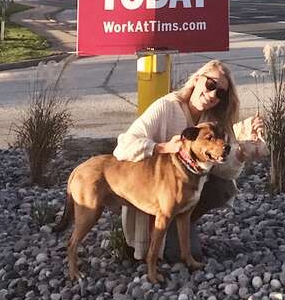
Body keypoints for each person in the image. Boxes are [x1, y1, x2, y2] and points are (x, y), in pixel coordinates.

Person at [113, 59, 265, 261]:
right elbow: (123, 146)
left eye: (220, 93)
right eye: (210, 85)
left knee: (224, 188)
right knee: (173, 255)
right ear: (196, 79)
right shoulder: (166, 107)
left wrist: (242, 153)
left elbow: (225, 171)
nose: (212, 94)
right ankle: (157, 236)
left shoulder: (213, 121)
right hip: (150, 192)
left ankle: (182, 219)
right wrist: (163, 147)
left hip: (185, 192)